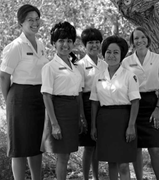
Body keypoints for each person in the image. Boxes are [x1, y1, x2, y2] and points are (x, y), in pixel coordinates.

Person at [0, 4, 47, 180]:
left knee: (36, 145)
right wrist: (10, 102)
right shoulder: (15, 47)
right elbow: (4, 77)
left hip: (38, 98)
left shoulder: (40, 43)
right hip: (19, 98)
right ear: (21, 23)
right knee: (19, 148)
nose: (35, 23)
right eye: (30, 20)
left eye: (37, 19)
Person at [122, 26, 159, 180]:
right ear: (132, 41)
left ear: (148, 39)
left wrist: (157, 108)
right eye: (136, 38)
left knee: (155, 149)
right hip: (132, 105)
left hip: (151, 104)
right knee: (136, 148)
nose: (140, 40)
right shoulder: (127, 62)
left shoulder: (158, 59)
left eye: (142, 37)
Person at [90, 36, 140, 180]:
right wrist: (93, 126)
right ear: (104, 53)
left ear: (122, 55)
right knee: (111, 162)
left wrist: (131, 126)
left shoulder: (129, 76)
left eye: (116, 52)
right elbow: (94, 102)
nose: (111, 55)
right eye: (108, 52)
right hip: (104, 120)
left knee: (123, 164)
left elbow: (135, 102)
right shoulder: (98, 76)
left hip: (124, 119)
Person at [40, 21, 85, 180]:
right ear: (54, 43)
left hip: (73, 112)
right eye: (61, 40)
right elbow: (46, 96)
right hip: (58, 112)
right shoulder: (49, 67)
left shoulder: (76, 67)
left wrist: (81, 117)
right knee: (62, 157)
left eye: (69, 41)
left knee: (67, 155)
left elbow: (78, 92)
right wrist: (54, 124)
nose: (65, 44)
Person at [77, 27, 107, 180]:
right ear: (84, 45)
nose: (94, 45)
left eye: (97, 42)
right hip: (87, 105)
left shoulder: (105, 64)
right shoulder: (80, 65)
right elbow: (79, 92)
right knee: (89, 146)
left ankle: (96, 177)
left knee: (98, 145)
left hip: (103, 105)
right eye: (90, 42)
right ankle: (86, 178)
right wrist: (81, 115)